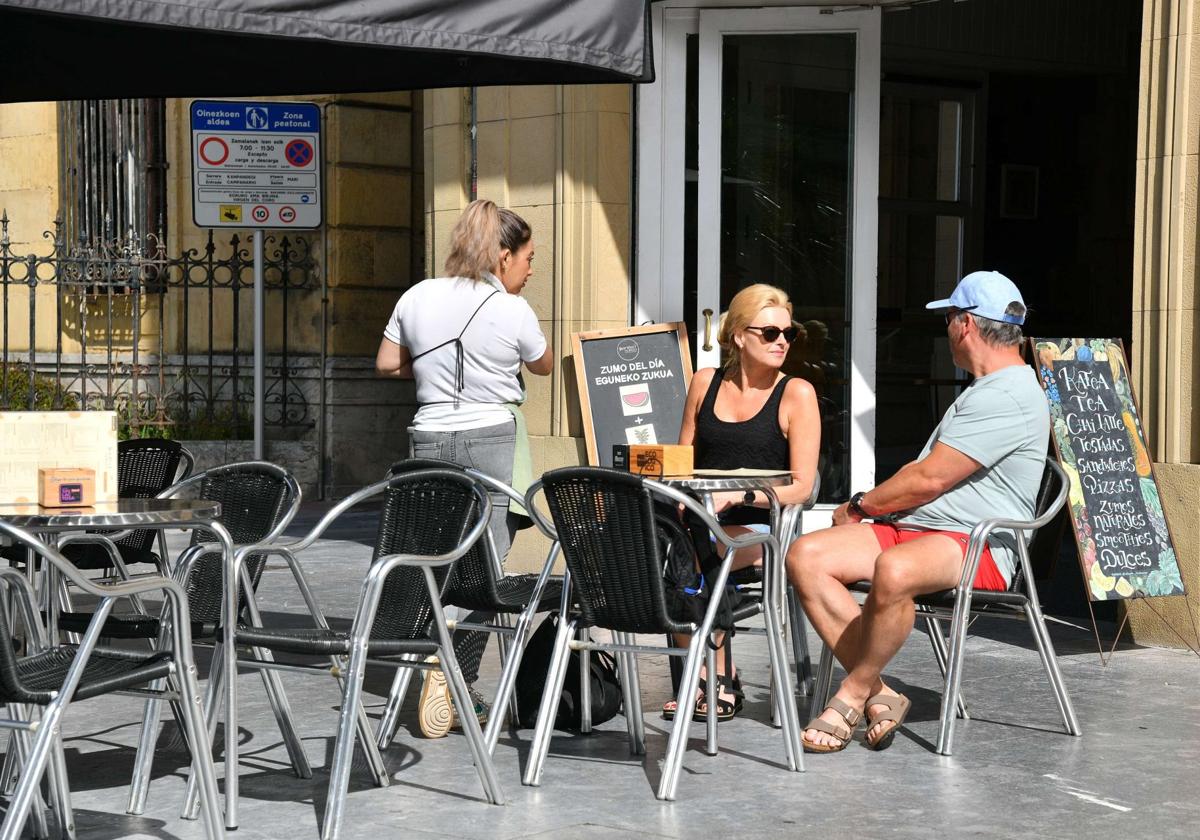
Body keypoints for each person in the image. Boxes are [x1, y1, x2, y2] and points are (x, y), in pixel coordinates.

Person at [788, 270, 1048, 752]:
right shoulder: (985, 387)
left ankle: (849, 692)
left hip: (978, 544)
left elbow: (930, 478)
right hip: (921, 529)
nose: (947, 329)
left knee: (895, 569)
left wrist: (860, 505)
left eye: (948, 318)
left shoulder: (1010, 392)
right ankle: (880, 692)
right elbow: (926, 476)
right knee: (807, 555)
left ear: (965, 324)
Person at [376, 199, 553, 738]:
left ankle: (425, 648)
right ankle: (460, 673)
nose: (530, 268)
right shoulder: (512, 309)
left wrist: (431, 363)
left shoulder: (417, 294)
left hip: (426, 435)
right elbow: (541, 364)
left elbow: (386, 363)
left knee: (429, 556)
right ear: (503, 257)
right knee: (487, 568)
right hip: (488, 438)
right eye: (526, 257)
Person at [661, 283, 820, 722]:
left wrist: (742, 494)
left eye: (789, 333)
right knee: (671, 543)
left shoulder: (796, 394)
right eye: (769, 333)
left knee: (694, 551)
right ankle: (700, 676)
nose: (782, 341)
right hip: (702, 520)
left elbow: (803, 487)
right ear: (738, 336)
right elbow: (683, 464)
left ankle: (715, 677)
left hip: (763, 527)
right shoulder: (705, 382)